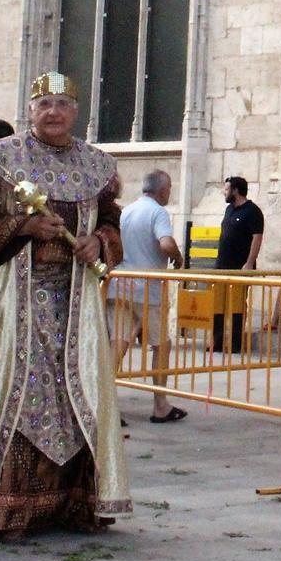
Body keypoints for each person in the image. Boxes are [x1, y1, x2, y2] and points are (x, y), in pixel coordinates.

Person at [0, 72, 129, 540]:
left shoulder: (97, 165)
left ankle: (72, 503)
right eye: (44, 104)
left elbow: (112, 218)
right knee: (17, 396)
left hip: (73, 303)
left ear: (76, 112)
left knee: (71, 396)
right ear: (30, 111)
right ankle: (10, 508)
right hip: (12, 299)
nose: (53, 112)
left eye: (62, 103)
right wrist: (22, 227)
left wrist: (99, 243)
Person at [112, 169, 186, 424]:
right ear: (163, 190)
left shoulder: (127, 211)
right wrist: (177, 257)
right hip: (147, 289)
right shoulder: (157, 212)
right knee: (161, 344)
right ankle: (160, 404)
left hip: (119, 283)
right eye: (170, 189)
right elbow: (165, 244)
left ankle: (107, 405)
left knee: (117, 344)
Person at [212, 175, 263, 352]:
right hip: (222, 265)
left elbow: (257, 238)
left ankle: (235, 343)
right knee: (218, 304)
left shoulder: (252, 211)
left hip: (239, 266)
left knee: (236, 306)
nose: (224, 192)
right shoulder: (229, 210)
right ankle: (217, 341)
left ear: (235, 190)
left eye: (227, 189)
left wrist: (249, 262)